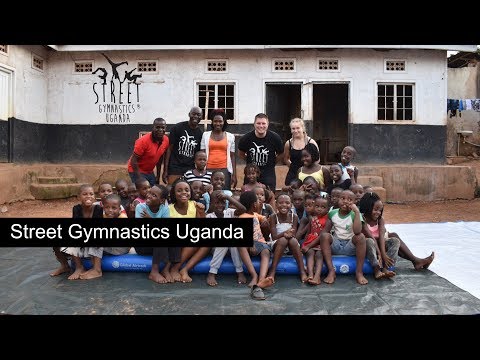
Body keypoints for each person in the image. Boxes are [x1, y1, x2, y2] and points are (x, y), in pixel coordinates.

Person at [359, 191, 434, 271]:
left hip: (380, 244)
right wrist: (381, 254)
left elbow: (381, 237)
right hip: (371, 246)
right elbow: (372, 238)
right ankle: (416, 261)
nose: (378, 212)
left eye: (380, 210)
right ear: (368, 208)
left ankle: (415, 261)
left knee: (395, 239)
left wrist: (384, 254)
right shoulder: (362, 219)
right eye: (376, 209)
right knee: (393, 238)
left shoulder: (380, 219)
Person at [61, 194, 130, 280]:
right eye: (107, 207)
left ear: (119, 209)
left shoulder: (122, 218)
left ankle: (97, 270)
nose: (110, 210)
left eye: (114, 208)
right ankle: (78, 267)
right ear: (103, 208)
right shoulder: (103, 216)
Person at [50, 184, 103, 277]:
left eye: (91, 194)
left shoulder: (98, 209)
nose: (88, 196)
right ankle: (65, 266)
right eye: (85, 194)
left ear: (95, 197)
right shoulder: (76, 208)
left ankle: (79, 267)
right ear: (79, 197)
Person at [318, 189, 369, 285]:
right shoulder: (332, 213)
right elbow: (325, 232)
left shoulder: (355, 214)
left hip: (350, 246)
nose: (345, 201)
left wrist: (357, 212)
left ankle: (359, 272)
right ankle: (331, 270)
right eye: (342, 198)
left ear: (354, 202)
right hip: (336, 244)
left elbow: (357, 231)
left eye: (350, 200)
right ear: (338, 200)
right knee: (325, 236)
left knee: (361, 237)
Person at [134, 185, 178, 284]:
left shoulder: (165, 209)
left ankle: (166, 269)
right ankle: (154, 272)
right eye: (149, 193)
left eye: (154, 195)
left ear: (162, 200)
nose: (149, 196)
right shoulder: (141, 207)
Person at [167, 179, 206, 282]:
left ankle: (184, 269)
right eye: (179, 190)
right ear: (174, 194)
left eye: (186, 190)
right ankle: (174, 269)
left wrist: (201, 213)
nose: (184, 192)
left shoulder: (194, 205)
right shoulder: (168, 209)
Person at [238, 113, 284, 191]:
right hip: (251, 173)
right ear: (254, 124)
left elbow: (281, 154)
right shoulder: (246, 138)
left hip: (268, 173)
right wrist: (250, 162)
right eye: (258, 123)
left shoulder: (275, 138)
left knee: (269, 196)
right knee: (248, 197)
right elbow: (241, 154)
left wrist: (272, 162)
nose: (261, 126)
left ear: (268, 124)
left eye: (263, 123)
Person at [268, 193, 307, 283]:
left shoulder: (294, 217)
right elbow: (274, 237)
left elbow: (293, 234)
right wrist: (284, 234)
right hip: (277, 244)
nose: (284, 205)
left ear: (291, 205)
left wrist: (288, 235)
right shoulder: (273, 217)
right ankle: (272, 271)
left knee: (293, 241)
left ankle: (302, 271)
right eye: (281, 203)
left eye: (287, 203)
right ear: (276, 204)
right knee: (283, 240)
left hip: (290, 244)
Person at [163, 106, 203, 185]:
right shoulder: (177, 128)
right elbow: (169, 149)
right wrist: (165, 170)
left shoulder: (200, 134)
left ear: (201, 117)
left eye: (198, 115)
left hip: (190, 168)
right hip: (175, 167)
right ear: (189, 114)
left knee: (188, 192)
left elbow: (198, 154)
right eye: (193, 114)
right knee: (172, 190)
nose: (195, 116)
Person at [200, 109, 237, 190]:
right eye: (215, 121)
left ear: (224, 122)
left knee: (224, 194)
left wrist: (234, 174)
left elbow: (232, 156)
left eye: (220, 121)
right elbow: (202, 153)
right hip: (208, 170)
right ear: (212, 122)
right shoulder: (205, 135)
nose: (218, 123)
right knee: (208, 194)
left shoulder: (230, 137)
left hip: (224, 170)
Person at [127, 117, 169, 187]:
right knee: (143, 190)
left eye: (163, 128)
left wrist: (158, 176)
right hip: (136, 170)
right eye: (157, 127)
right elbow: (133, 161)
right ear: (153, 127)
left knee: (153, 190)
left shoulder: (166, 140)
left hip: (149, 171)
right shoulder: (143, 141)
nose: (160, 130)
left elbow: (160, 159)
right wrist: (140, 179)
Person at [300, 195, 329, 285]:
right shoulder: (312, 218)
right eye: (317, 206)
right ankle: (310, 274)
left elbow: (322, 236)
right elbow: (308, 233)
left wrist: (308, 245)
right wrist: (304, 245)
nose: (319, 209)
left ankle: (317, 277)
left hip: (320, 243)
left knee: (319, 255)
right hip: (310, 243)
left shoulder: (328, 219)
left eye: (323, 207)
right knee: (310, 253)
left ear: (327, 209)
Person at [283, 118, 319, 186]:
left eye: (298, 128)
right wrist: (292, 167)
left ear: (303, 128)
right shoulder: (289, 143)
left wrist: (310, 169)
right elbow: (286, 158)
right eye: (293, 128)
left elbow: (317, 158)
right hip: (293, 173)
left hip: (308, 173)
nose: (295, 131)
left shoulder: (310, 142)